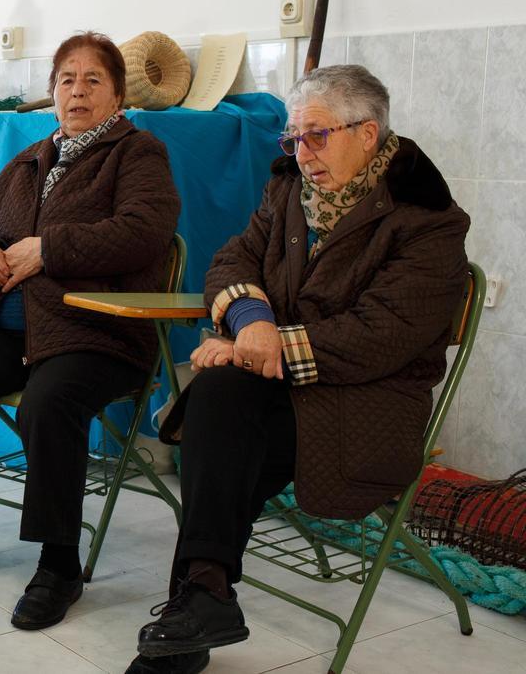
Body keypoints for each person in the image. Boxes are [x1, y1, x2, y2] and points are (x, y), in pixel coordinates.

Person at [126, 64, 471, 674]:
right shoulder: (289, 190)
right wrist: (252, 320)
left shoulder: (428, 219)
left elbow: (380, 335)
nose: (302, 153)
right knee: (221, 402)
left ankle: (197, 604)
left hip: (367, 402)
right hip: (282, 388)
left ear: (368, 134)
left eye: (317, 135)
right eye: (293, 138)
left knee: (225, 428)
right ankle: (204, 597)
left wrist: (261, 346)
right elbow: (233, 258)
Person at [0, 31, 181, 630]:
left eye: (92, 80)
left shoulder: (138, 153)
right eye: (66, 80)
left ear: (117, 96)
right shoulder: (29, 160)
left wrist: (48, 249)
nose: (76, 91)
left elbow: (144, 232)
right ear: (53, 91)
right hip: (17, 332)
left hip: (97, 332)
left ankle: (59, 565)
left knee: (48, 401)